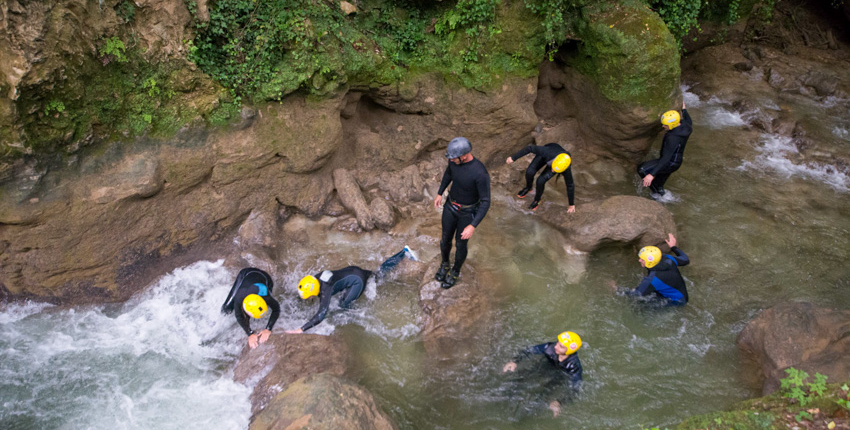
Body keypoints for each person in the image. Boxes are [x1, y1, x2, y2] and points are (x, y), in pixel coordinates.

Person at [285, 246, 416, 333]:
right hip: (353, 270)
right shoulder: (316, 279)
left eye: (309, 296)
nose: (309, 298)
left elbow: (321, 314)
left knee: (343, 305)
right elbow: (307, 290)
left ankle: (359, 318)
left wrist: (301, 330)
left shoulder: (326, 290)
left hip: (357, 282)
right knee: (379, 273)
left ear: (314, 292)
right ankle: (404, 252)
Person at [433, 137, 491, 289]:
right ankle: (445, 264)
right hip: (451, 206)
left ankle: (455, 271)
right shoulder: (454, 162)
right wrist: (440, 193)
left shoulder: (480, 173)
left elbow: (486, 202)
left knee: (460, 244)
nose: (451, 160)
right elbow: (448, 174)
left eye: (454, 158)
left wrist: (472, 225)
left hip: (468, 212)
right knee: (445, 238)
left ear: (464, 155)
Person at [503, 331, 583, 417]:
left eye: (561, 346)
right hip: (545, 366)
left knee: (543, 395)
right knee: (522, 378)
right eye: (557, 343)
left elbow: (575, 388)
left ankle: (526, 417)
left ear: (569, 351)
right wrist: (515, 361)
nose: (556, 346)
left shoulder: (574, 366)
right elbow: (529, 350)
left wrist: (560, 402)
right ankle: (505, 398)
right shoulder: (550, 347)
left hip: (560, 376)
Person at [613, 233, 690, 305]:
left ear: (649, 262)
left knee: (639, 305)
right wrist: (673, 247)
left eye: (642, 259)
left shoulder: (652, 279)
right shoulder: (668, 259)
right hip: (681, 293)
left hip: (677, 300)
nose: (639, 260)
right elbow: (685, 260)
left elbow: (637, 294)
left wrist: (617, 289)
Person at [638, 101, 693, 197]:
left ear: (672, 125)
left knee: (642, 169)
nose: (663, 126)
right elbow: (689, 120)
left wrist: (651, 175)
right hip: (676, 161)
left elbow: (666, 158)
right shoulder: (686, 126)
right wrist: (684, 110)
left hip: (671, 163)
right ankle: (663, 195)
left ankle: (658, 197)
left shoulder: (672, 137)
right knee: (659, 184)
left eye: (665, 125)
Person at [220, 267, 281, 349]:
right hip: (246, 273)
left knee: (270, 301)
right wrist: (250, 334)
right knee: (226, 308)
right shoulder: (239, 297)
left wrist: (268, 329)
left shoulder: (265, 296)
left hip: (266, 278)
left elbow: (276, 309)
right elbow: (238, 316)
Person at [506, 142, 575, 212]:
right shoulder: (547, 152)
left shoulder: (566, 168)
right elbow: (530, 148)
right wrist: (513, 158)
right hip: (547, 155)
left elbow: (570, 185)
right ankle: (528, 187)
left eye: (555, 170)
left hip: (556, 162)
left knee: (540, 181)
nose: (553, 171)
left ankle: (537, 200)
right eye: (553, 168)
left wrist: (571, 205)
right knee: (530, 171)